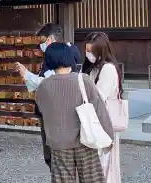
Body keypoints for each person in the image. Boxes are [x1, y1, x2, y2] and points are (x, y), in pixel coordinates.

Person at [36, 42, 114, 183]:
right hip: (85, 141)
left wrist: (47, 150)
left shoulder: (43, 87)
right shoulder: (83, 80)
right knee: (92, 180)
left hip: (59, 144)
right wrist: (109, 136)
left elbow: (43, 118)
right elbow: (100, 111)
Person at [14, 23, 81, 169]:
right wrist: (27, 75)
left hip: (57, 110)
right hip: (57, 109)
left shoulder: (61, 54)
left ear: (50, 39)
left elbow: (50, 82)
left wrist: (27, 75)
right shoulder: (69, 50)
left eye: (41, 41)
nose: (40, 45)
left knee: (56, 153)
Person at [82, 32, 123, 183]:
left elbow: (97, 97)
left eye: (92, 51)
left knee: (103, 166)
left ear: (101, 51)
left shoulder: (108, 69)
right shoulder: (90, 68)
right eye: (86, 51)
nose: (88, 55)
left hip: (104, 123)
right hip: (93, 122)